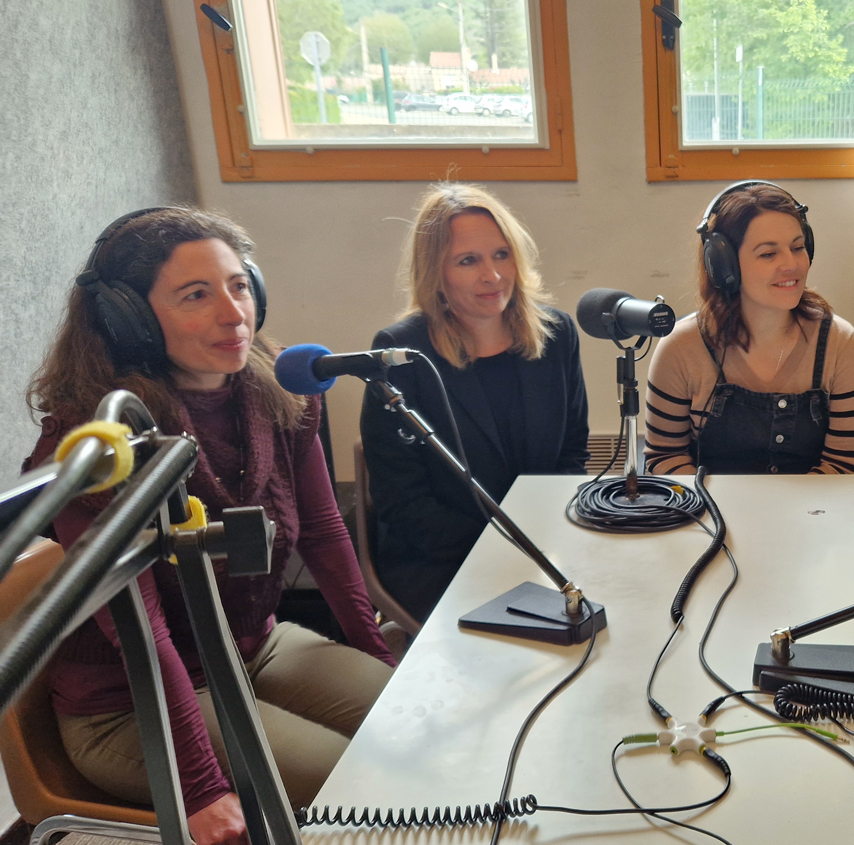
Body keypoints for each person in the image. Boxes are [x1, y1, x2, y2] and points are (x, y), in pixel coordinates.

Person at [25, 207, 395, 845]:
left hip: (255, 646)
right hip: (129, 704)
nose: (234, 314)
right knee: (360, 783)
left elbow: (326, 537)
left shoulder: (278, 390)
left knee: (419, 721)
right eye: (196, 295)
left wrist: (377, 656)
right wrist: (199, 787)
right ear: (128, 320)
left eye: (239, 285)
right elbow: (142, 629)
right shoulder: (100, 441)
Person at [360, 184, 588, 622]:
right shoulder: (399, 352)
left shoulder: (557, 334)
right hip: (443, 561)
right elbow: (401, 500)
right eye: (468, 261)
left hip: (545, 546)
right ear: (436, 274)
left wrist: (541, 542)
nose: (493, 275)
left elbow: (571, 452)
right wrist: (504, 551)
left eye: (501, 255)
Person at [643, 181, 854, 476]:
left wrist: (785, 519)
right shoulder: (680, 348)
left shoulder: (843, 346)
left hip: (813, 513)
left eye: (798, 247)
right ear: (724, 266)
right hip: (710, 515)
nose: (792, 264)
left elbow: (841, 466)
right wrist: (720, 515)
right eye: (768, 254)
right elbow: (665, 457)